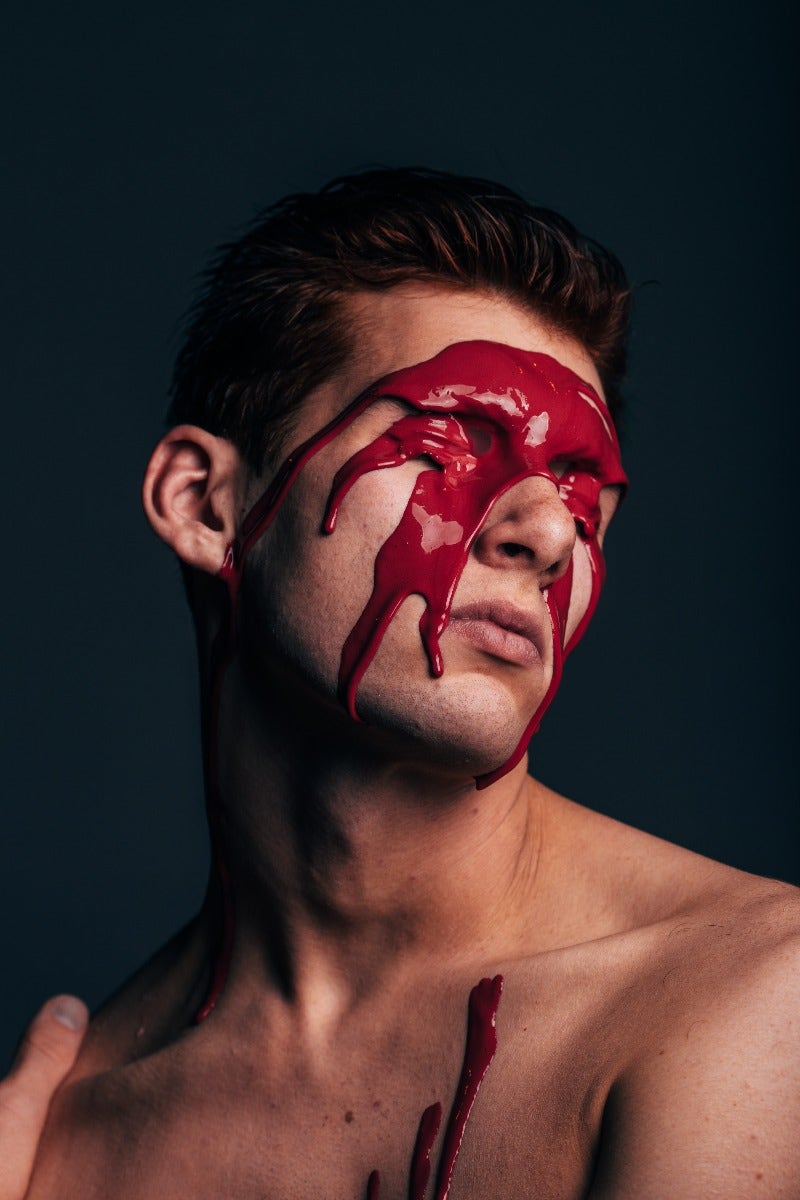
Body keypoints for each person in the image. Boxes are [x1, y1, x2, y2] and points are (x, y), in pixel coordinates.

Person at [12, 169, 800, 1198]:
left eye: (579, 490)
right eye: (451, 438)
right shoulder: (70, 1129)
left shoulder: (746, 1001)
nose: (549, 533)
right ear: (202, 504)